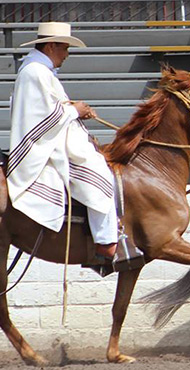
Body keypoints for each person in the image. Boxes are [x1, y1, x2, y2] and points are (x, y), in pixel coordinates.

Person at [7, 22, 117, 258]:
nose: (66, 55)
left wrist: (76, 110)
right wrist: (74, 111)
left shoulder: (39, 71)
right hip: (46, 145)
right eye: (65, 48)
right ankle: (106, 241)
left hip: (55, 136)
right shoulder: (35, 72)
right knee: (99, 170)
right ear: (51, 45)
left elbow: (47, 109)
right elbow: (41, 119)